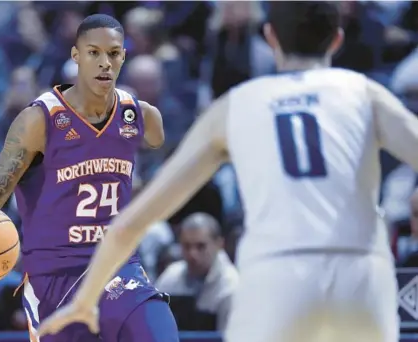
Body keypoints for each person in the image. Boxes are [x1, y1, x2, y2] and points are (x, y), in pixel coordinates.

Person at [36, 2, 415, 342]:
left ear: (270, 37)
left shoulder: (237, 105)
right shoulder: (366, 93)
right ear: (337, 40)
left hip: (277, 274)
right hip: (362, 272)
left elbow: (131, 221)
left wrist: (86, 300)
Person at [0, 14, 178, 342]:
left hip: (117, 269)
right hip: (54, 280)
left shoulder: (137, 113)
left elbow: (158, 137)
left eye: (114, 53)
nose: (105, 63)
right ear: (76, 56)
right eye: (94, 53)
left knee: (159, 330)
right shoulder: (39, 120)